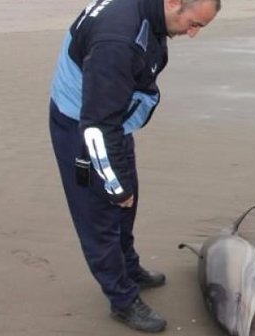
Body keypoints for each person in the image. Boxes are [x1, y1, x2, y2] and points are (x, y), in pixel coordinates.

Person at [49, 0, 220, 332]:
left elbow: (108, 114)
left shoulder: (147, 11)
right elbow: (96, 127)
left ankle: (128, 267)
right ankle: (122, 300)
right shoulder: (117, 40)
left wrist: (123, 188)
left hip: (112, 118)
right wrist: (116, 187)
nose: (192, 34)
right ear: (173, 2)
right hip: (81, 127)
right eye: (193, 24)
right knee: (100, 216)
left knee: (127, 203)